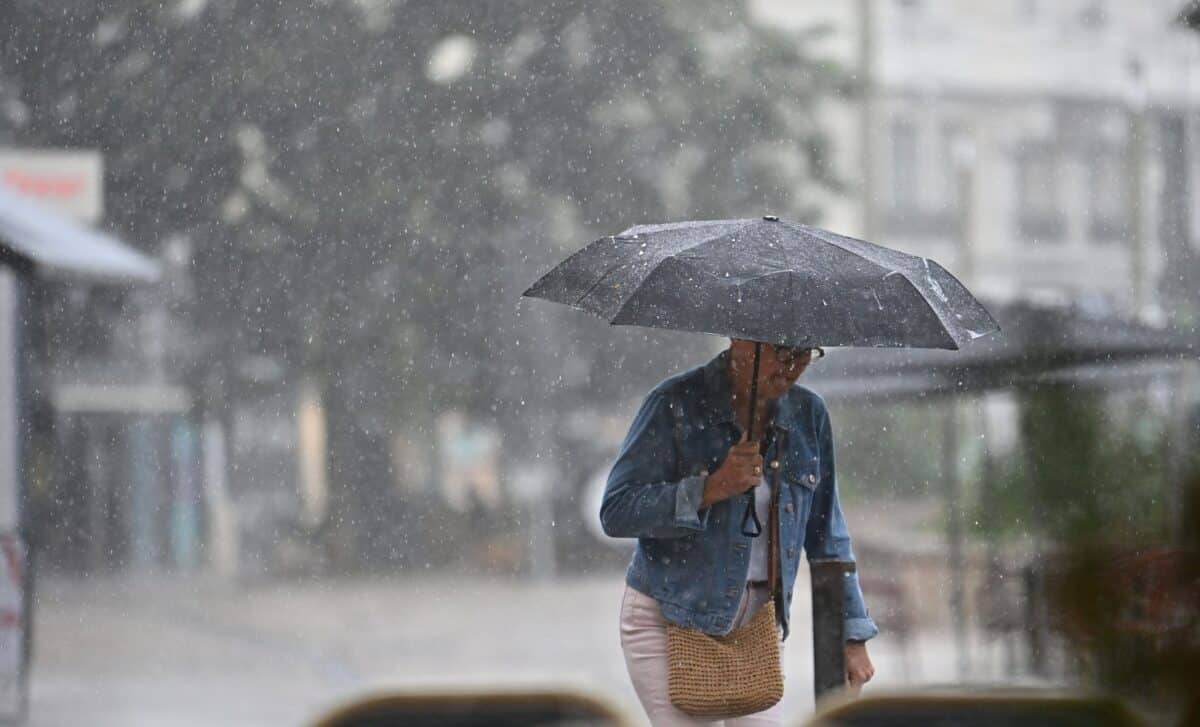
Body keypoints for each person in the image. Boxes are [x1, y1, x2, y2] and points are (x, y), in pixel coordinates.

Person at [601, 339, 877, 726]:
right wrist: (710, 487)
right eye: (782, 351)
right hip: (670, 620)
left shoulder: (808, 415)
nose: (793, 365)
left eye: (806, 353)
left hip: (757, 629)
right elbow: (617, 510)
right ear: (739, 338)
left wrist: (852, 632)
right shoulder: (674, 403)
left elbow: (827, 531)